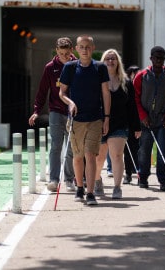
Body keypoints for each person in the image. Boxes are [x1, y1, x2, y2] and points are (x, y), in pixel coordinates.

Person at [59, 35, 111, 205]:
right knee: (78, 156)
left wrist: (107, 118)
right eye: (81, 47)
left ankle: (90, 192)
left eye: (88, 47)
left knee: (91, 155)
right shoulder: (69, 68)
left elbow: (106, 93)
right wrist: (70, 103)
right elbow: (62, 93)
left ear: (93, 48)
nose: (85, 50)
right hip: (76, 120)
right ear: (76, 49)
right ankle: (79, 187)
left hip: (95, 118)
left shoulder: (100, 67)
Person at [28, 37, 77, 193]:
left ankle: (69, 179)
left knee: (71, 148)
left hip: (73, 112)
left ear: (72, 51)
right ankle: (54, 179)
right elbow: (42, 91)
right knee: (56, 146)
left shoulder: (77, 65)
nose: (64, 56)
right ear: (56, 51)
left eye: (67, 53)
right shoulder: (50, 68)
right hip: (55, 110)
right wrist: (36, 111)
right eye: (61, 53)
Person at [95, 49, 141, 199]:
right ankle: (97, 181)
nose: (110, 61)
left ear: (118, 62)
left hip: (120, 123)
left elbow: (132, 106)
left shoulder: (126, 82)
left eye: (113, 58)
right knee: (99, 157)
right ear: (103, 61)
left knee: (117, 155)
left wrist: (136, 126)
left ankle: (117, 187)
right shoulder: (96, 80)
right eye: (107, 58)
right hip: (99, 122)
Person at [133, 46, 165, 190]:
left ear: (164, 59)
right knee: (144, 150)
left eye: (162, 58)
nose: (159, 60)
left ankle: (164, 181)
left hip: (162, 120)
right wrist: (142, 116)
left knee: (163, 150)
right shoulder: (141, 76)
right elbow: (135, 98)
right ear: (151, 58)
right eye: (156, 57)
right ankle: (143, 177)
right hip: (146, 120)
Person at [123, 65, 140, 184]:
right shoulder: (126, 83)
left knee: (133, 148)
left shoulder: (139, 85)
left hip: (133, 120)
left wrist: (137, 126)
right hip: (121, 120)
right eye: (135, 73)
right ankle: (127, 173)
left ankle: (132, 172)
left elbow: (133, 106)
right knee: (125, 149)